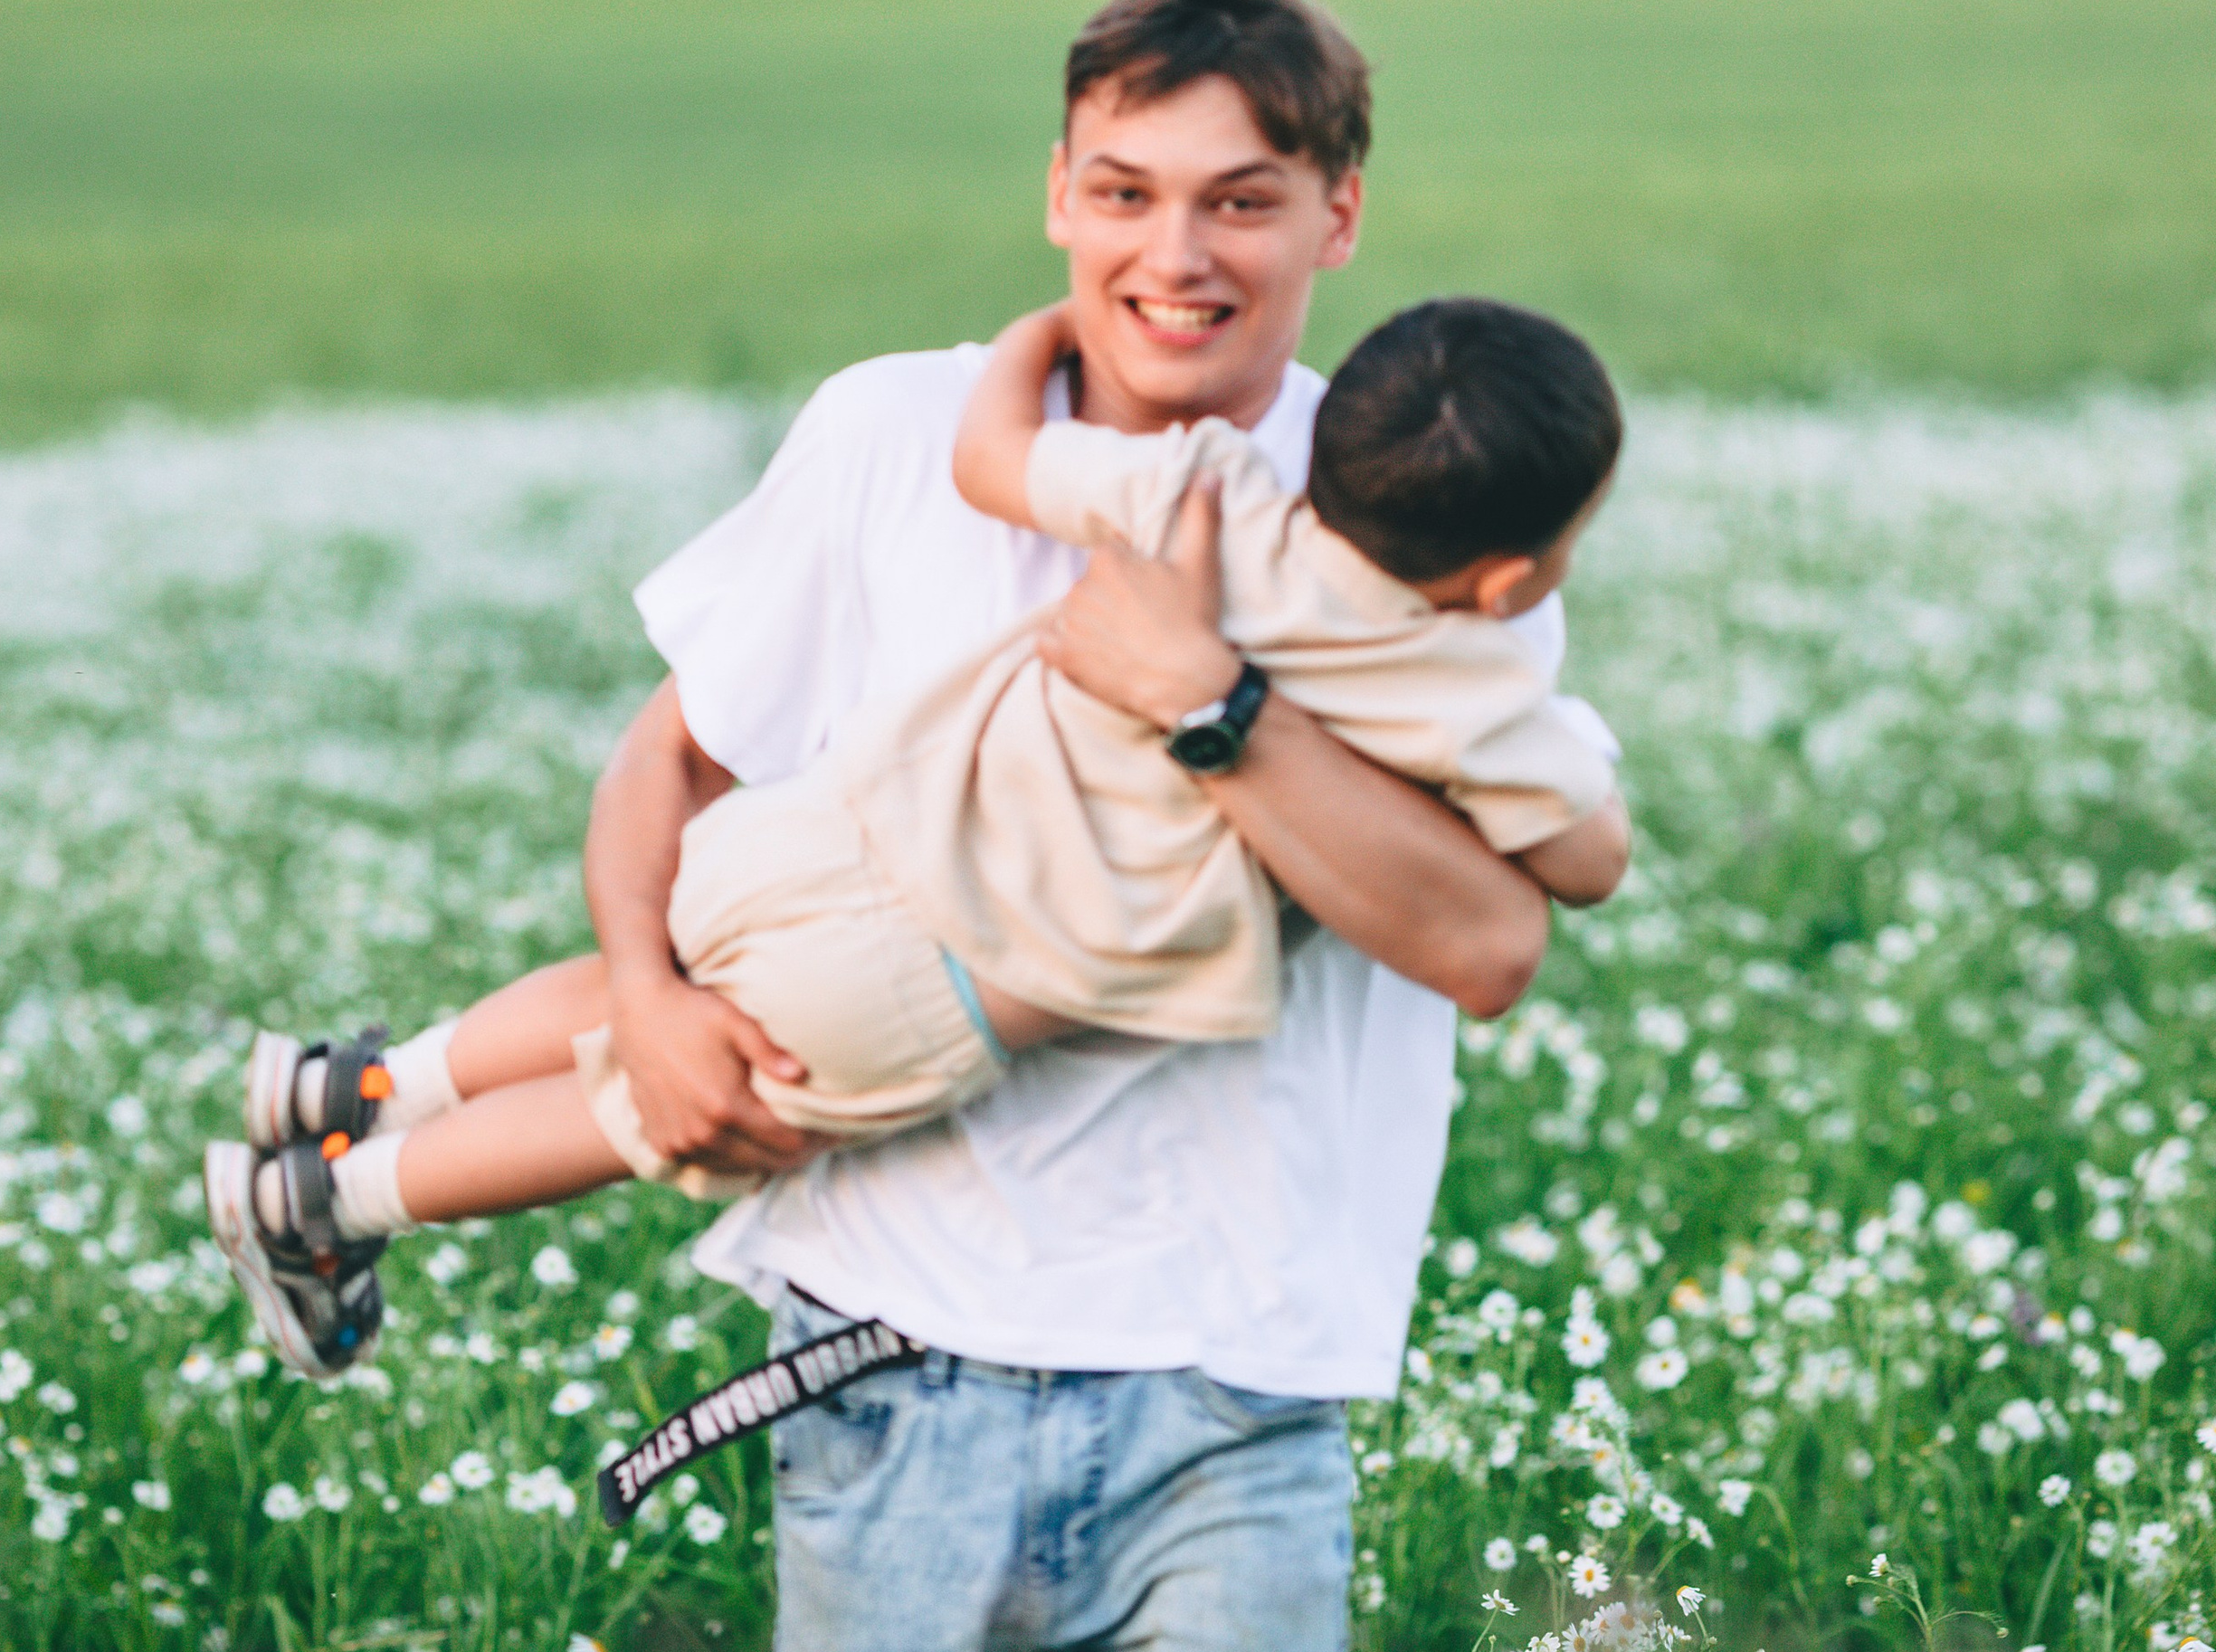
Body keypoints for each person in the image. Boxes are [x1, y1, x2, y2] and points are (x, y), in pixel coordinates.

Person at [224, 0, 1597, 1652]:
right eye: (1122, 192)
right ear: (1056, 192)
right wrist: (642, 999)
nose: (1171, 255)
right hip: (894, 1353)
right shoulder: (894, 433)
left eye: (1239, 202)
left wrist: (1210, 700)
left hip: (1234, 1378)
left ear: (1336, 215)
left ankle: (357, 1141)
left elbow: (1485, 940)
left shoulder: (1423, 509)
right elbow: (669, 769)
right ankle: (359, 1126)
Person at [204, 288, 1627, 1295]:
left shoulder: (1205, 491)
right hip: (934, 980)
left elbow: (989, 458)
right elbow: (1583, 862)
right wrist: (1548, 755)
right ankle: (326, 1201)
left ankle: (368, 1080)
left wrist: (1041, 337)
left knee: (649, 983)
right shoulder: (1464, 680)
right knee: (626, 1112)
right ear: (1510, 576)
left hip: (847, 820)